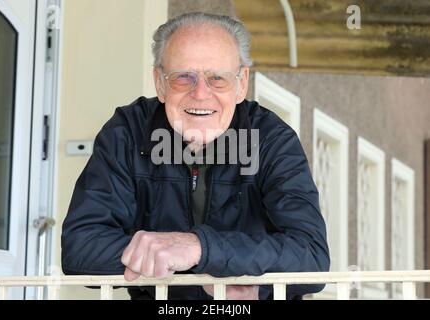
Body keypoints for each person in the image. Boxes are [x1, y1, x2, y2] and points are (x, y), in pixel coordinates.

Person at [61, 12, 330, 300]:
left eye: (217, 78)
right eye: (183, 78)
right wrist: (194, 259)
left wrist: (199, 248)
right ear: (160, 83)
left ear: (242, 83)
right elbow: (81, 248)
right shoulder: (126, 131)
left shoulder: (272, 139)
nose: (200, 93)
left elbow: (311, 255)